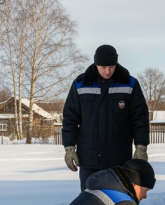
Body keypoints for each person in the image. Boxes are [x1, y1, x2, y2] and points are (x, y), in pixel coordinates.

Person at [62, 45, 150, 191]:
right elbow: (70, 118)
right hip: (89, 159)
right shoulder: (80, 84)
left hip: (120, 160)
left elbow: (140, 118)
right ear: (96, 64)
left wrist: (141, 146)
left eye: (111, 66)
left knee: (118, 203)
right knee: (89, 203)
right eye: (103, 67)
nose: (107, 71)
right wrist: (69, 147)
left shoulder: (130, 84)